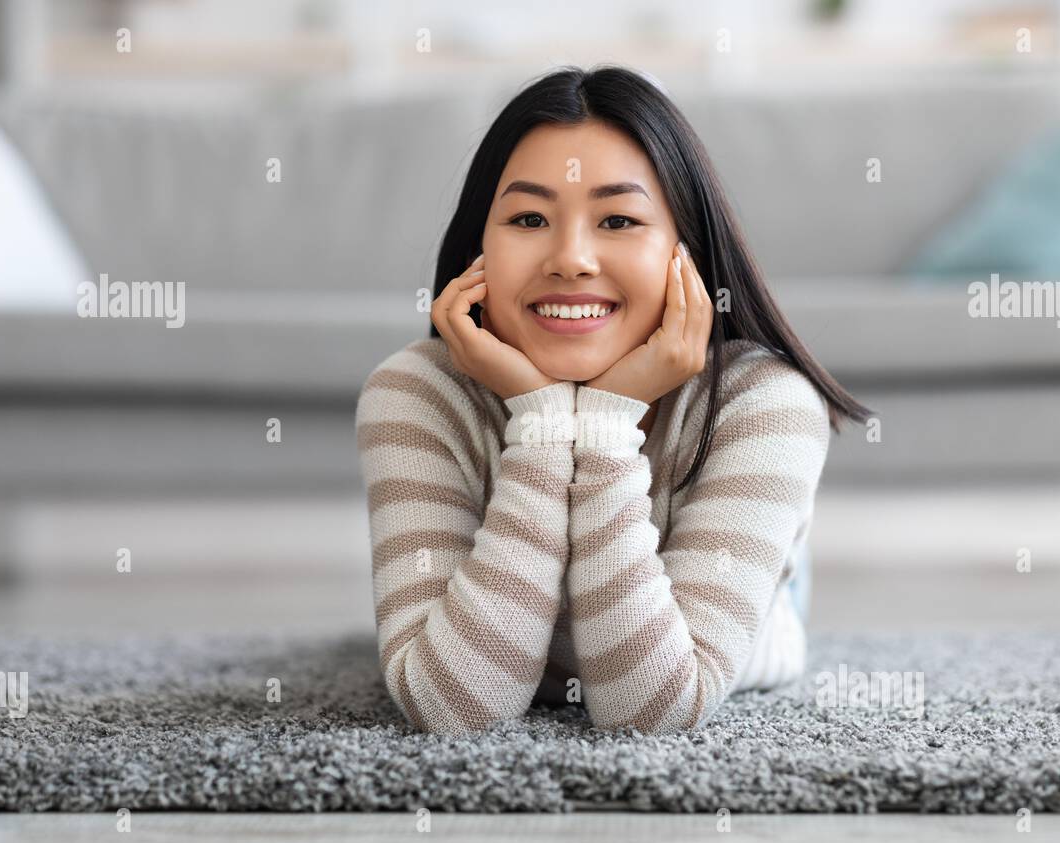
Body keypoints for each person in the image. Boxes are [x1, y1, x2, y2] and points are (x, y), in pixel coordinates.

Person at [357, 66, 872, 735]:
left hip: (736, 612)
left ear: (686, 253)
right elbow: (453, 709)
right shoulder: (416, 393)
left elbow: (653, 710)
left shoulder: (765, 403)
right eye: (529, 217)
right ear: (478, 245)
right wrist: (542, 420)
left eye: (620, 219)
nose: (571, 258)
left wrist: (602, 424)